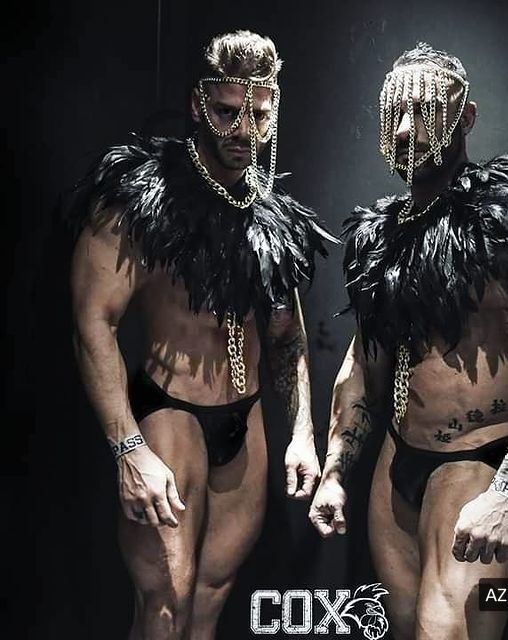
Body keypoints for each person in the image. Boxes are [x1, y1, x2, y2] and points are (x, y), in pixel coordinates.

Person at [309, 43, 508, 639]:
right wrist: (337, 469)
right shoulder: (381, 236)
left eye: (425, 110)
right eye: (395, 112)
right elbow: (364, 360)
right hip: (397, 462)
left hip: (476, 462)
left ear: (466, 116)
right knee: (402, 628)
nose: (406, 128)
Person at [70, 30, 335, 639]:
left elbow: (286, 336)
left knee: (210, 601)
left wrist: (301, 432)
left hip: (246, 420)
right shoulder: (140, 199)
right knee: (166, 606)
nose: (244, 130)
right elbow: (93, 323)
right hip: (171, 413)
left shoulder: (271, 214)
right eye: (227, 111)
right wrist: (128, 449)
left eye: (259, 115)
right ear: (198, 104)